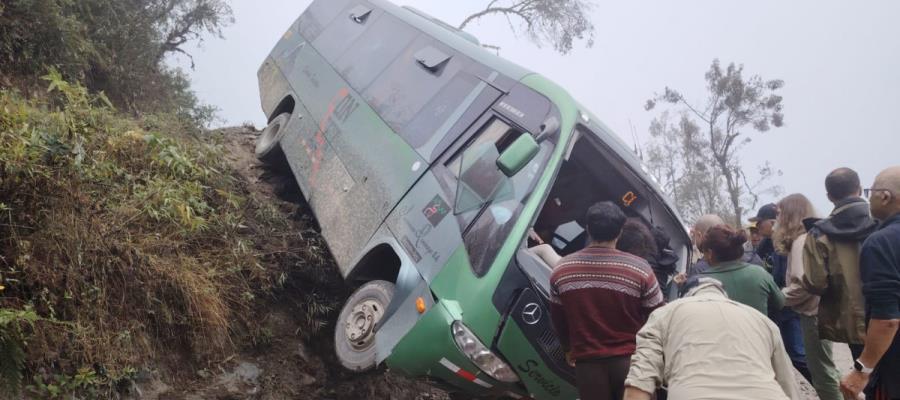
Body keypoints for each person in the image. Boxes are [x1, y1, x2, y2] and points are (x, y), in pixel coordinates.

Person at [549, 202, 665, 400]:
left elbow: (558, 319)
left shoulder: (561, 270)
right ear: (620, 232)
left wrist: (568, 349)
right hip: (633, 364)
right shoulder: (641, 270)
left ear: (588, 229)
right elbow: (658, 317)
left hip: (588, 366)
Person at [623, 277, 801, 400]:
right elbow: (788, 384)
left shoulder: (665, 313)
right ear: (725, 295)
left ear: (686, 295)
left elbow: (640, 380)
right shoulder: (762, 320)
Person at [803, 168, 877, 360]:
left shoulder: (818, 234)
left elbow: (816, 283)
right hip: (888, 314)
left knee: (865, 378)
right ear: (860, 189)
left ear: (829, 196)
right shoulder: (884, 222)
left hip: (851, 320)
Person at [841, 166, 900, 400]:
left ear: (884, 196)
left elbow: (887, 319)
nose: (869, 197)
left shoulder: (881, 242)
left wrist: (861, 370)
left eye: (870, 191)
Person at [775, 193, 842, 400]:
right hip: (824, 310)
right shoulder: (814, 236)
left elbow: (804, 285)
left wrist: (777, 298)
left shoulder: (801, 242)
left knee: (821, 374)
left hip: (813, 314)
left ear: (789, 215)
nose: (777, 220)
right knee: (827, 368)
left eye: (779, 214)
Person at [755, 203, 813, 382]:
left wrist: (778, 296)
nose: (757, 228)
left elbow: (789, 278)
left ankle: (829, 390)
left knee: (798, 355)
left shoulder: (787, 245)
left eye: (760, 223)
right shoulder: (767, 245)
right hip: (776, 307)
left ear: (772, 222)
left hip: (788, 307)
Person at [696, 224, 784, 315]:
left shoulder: (700, 283)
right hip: (757, 329)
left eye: (704, 252)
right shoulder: (760, 274)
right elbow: (780, 303)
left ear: (710, 253)